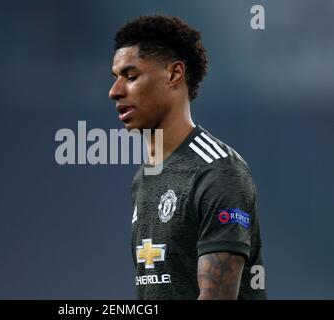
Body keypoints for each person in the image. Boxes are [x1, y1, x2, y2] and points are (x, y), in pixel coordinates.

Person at [108, 14, 266, 300]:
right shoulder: (144, 178)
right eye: (115, 78)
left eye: (131, 77)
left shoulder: (218, 172)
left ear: (174, 75)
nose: (114, 92)